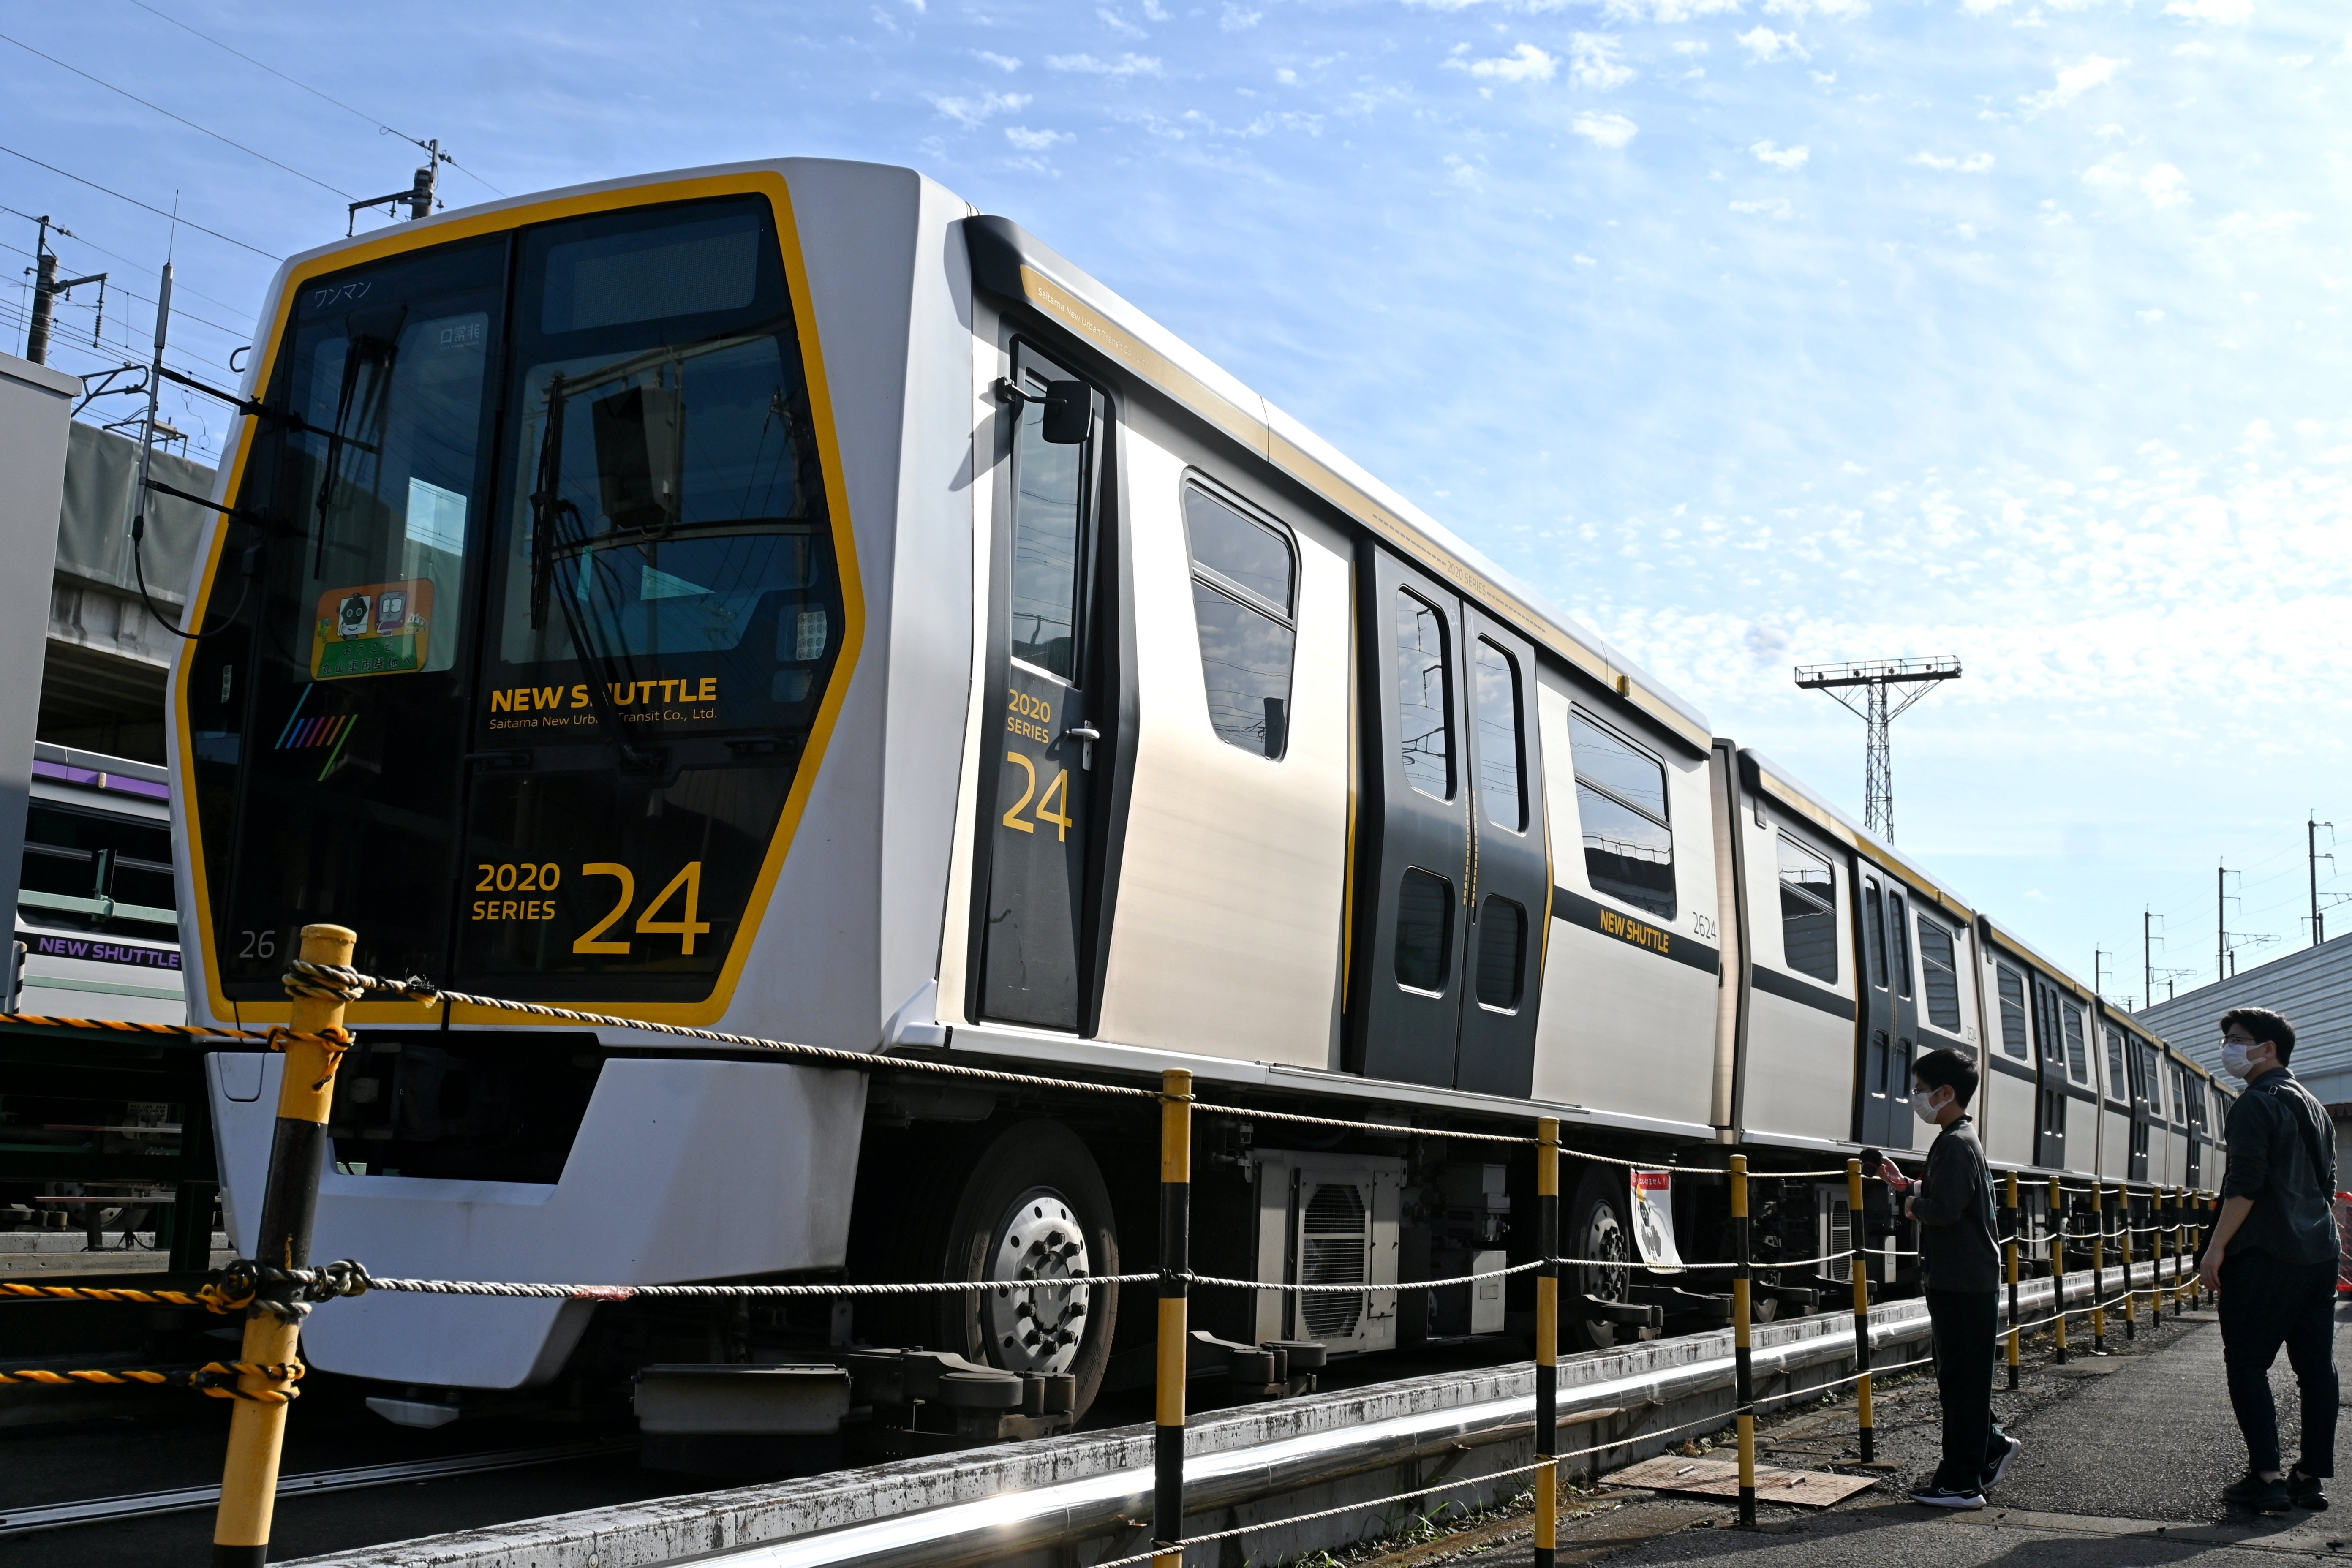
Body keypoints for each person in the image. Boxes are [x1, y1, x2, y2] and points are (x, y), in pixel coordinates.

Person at [2198, 1007, 2339, 1515]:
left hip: (2265, 1253)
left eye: (2237, 1039)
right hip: (2319, 1253)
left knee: (2247, 1363)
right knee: (2315, 1369)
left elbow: (2246, 1184)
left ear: (2268, 1048)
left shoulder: (2255, 1103)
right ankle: (2309, 1476)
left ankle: (2267, 1478)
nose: (2228, 1048)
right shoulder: (2315, 1105)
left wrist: (2217, 1246)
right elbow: (2326, 1186)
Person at [1878, 1047, 2018, 1510]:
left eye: (1921, 1089)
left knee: (1962, 1383)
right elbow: (1954, 1194)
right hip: (1962, 1279)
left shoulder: (1955, 1143)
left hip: (1962, 1281)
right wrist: (1910, 1185)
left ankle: (1961, 1483)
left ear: (1945, 1092)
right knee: (1961, 1378)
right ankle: (1991, 1447)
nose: (1916, 1097)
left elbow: (1948, 1209)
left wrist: (1912, 1205)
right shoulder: (1959, 1137)